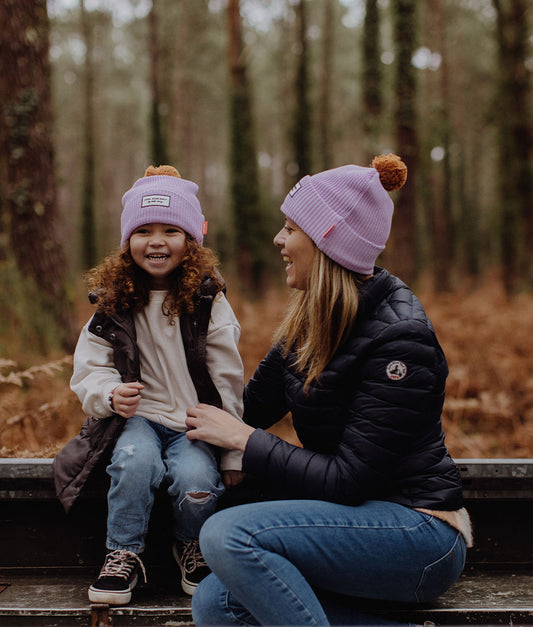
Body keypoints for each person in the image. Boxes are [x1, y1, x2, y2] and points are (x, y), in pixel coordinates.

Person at [184, 154, 473, 626]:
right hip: (351, 520)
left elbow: (347, 478)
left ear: (326, 243)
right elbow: (247, 408)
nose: (278, 239)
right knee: (217, 603)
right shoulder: (309, 321)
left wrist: (244, 441)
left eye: (291, 228)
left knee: (228, 535)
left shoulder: (400, 339)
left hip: (418, 533)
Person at [66, 165, 244, 605]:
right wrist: (108, 393)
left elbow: (227, 376)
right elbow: (89, 364)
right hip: (137, 419)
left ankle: (192, 546)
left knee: (195, 475)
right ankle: (122, 551)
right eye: (144, 230)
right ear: (128, 243)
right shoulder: (114, 302)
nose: (157, 241)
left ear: (191, 241)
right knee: (133, 461)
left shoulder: (209, 303)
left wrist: (235, 448)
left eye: (171, 230)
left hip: (194, 421)